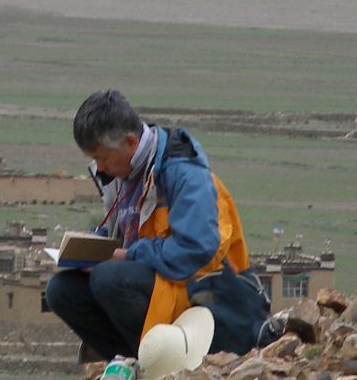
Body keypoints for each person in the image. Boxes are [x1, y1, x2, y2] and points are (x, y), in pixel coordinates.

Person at [44, 89, 268, 362]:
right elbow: (124, 230)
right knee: (61, 290)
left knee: (109, 278)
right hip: (157, 279)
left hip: (206, 288)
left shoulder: (182, 171)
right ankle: (132, 360)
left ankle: (158, 361)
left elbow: (197, 249)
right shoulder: (120, 175)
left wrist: (127, 255)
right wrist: (88, 249)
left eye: (103, 158)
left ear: (129, 142)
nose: (99, 167)